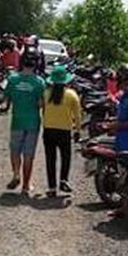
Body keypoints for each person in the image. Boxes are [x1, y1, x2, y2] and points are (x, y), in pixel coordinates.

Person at [5, 47, 46, 195]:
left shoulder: (12, 79)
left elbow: (6, 99)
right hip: (33, 122)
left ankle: (16, 174)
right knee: (29, 154)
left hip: (17, 120)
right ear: (36, 64)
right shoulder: (39, 82)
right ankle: (26, 185)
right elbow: (41, 104)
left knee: (15, 150)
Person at [42, 65, 82, 197]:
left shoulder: (46, 93)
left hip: (48, 130)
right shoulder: (72, 95)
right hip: (64, 131)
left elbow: (42, 109)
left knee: (50, 159)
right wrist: (77, 131)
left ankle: (52, 187)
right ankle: (64, 180)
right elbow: (77, 116)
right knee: (66, 157)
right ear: (66, 81)